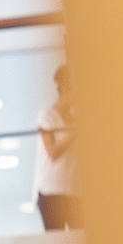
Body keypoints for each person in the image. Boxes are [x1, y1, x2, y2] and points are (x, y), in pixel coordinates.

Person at [33, 65, 82, 230]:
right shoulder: (46, 116)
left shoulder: (77, 118)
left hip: (74, 191)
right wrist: (75, 132)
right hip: (51, 193)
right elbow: (52, 152)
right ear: (66, 89)